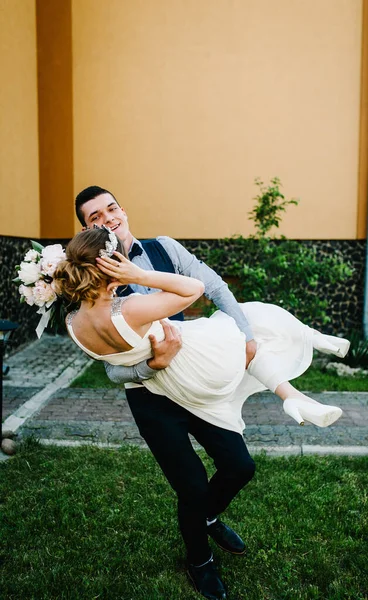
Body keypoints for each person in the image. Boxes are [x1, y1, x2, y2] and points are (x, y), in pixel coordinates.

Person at [68, 187, 349, 600]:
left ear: (123, 210)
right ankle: (199, 560)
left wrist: (246, 337)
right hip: (150, 396)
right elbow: (109, 368)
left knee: (239, 466)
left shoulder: (163, 249)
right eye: (95, 216)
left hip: (196, 379)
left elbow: (213, 286)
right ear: (86, 230)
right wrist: (152, 364)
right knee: (191, 485)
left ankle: (209, 517)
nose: (107, 217)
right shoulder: (86, 287)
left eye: (112, 207)